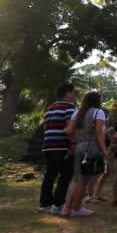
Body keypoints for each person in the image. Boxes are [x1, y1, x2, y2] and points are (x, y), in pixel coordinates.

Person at [62, 92, 109, 217]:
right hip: (92, 147)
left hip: (79, 146)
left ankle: (66, 208)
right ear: (97, 100)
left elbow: (69, 131)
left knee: (77, 179)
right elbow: (99, 133)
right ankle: (76, 209)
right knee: (84, 181)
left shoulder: (77, 112)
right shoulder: (98, 112)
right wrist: (104, 150)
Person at [39, 83, 76, 214]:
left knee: (50, 175)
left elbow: (46, 127)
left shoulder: (50, 108)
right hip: (62, 146)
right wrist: (73, 144)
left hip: (48, 146)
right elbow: (70, 127)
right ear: (67, 93)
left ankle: (44, 204)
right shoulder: (69, 107)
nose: (74, 95)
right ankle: (57, 204)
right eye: (73, 92)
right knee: (65, 175)